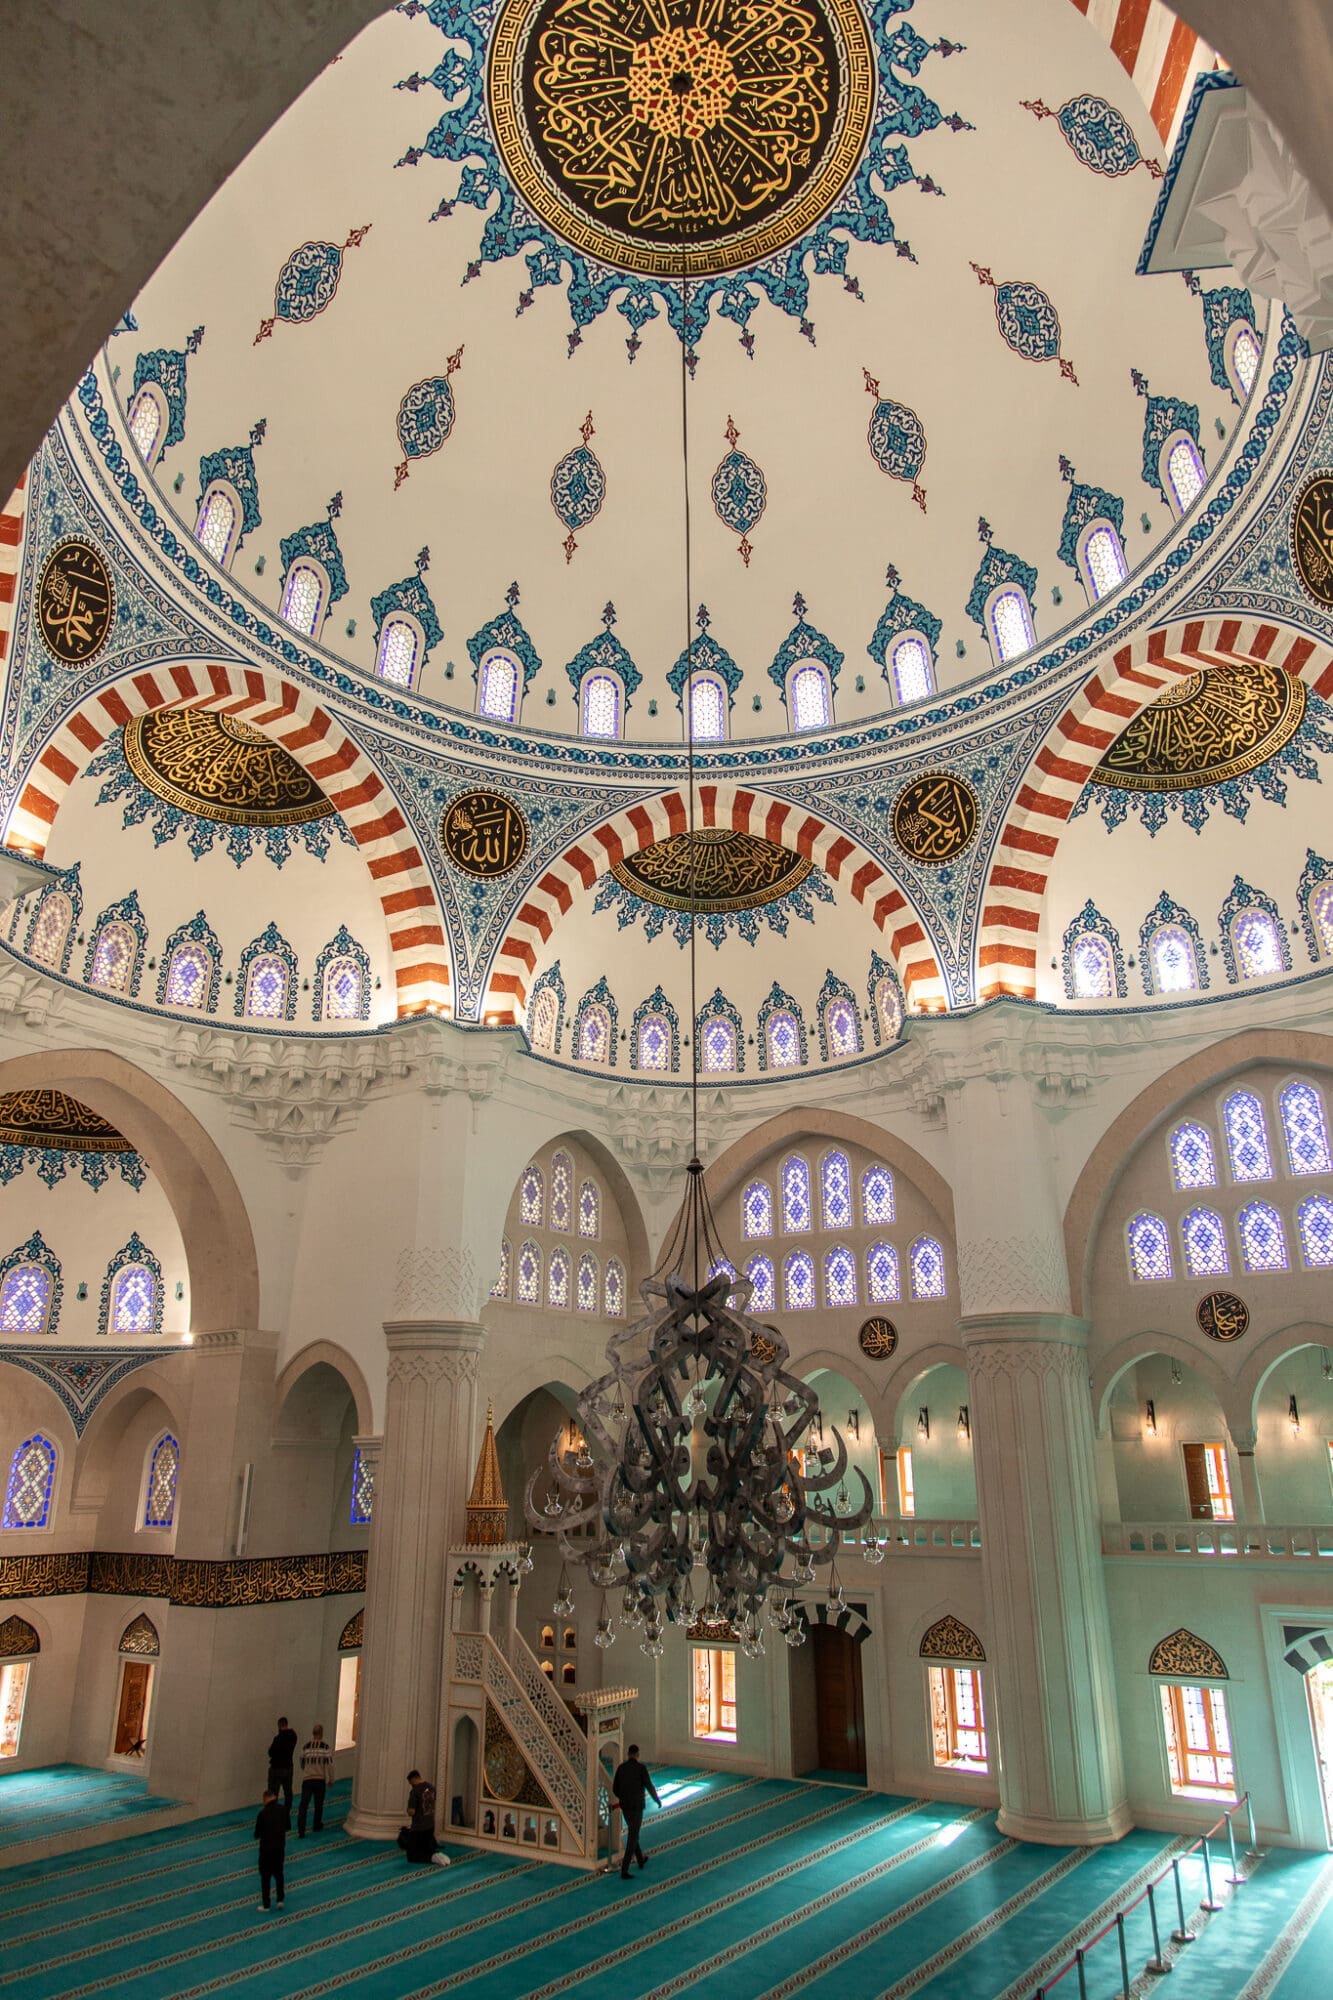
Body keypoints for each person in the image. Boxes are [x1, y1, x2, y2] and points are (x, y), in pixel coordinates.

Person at [611, 1744, 661, 1880]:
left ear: (628, 1754)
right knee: (633, 1836)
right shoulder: (641, 1768)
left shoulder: (621, 1768)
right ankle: (624, 1870)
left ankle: (640, 1859)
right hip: (637, 1807)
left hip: (625, 1807)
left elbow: (615, 1788)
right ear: (638, 1754)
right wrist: (657, 1800)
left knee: (634, 1832)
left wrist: (623, 1798)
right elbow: (649, 1786)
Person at [397, 1768, 449, 1866]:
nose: (411, 1785)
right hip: (430, 1824)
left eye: (411, 1783)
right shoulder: (431, 1787)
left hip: (419, 1827)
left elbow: (411, 1811)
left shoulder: (415, 1791)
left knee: (412, 1855)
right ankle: (438, 1856)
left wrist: (409, 1810)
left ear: (414, 1779)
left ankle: (433, 1858)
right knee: (427, 1848)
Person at [297, 1722, 334, 1835]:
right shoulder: (325, 1747)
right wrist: (331, 1779)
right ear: (321, 1734)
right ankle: (316, 1825)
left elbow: (301, 1761)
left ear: (313, 1733)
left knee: (304, 1805)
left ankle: (301, 1830)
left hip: (307, 1779)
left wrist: (306, 1770)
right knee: (318, 1804)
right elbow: (330, 1765)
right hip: (319, 1780)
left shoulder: (306, 1747)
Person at [254, 1787, 287, 1911]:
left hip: (266, 1850)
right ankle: (280, 1900)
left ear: (265, 1800)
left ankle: (266, 1905)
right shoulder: (283, 1810)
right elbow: (288, 1826)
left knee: (265, 1877)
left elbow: (257, 1834)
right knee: (279, 1874)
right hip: (279, 1848)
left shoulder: (262, 1813)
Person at [267, 1715, 298, 1821]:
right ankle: (286, 1814)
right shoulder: (293, 1736)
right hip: (288, 1768)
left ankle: (273, 1815)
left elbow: (271, 1752)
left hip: (277, 1769)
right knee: (288, 1792)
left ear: (279, 1726)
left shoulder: (278, 1739)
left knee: (273, 1793)